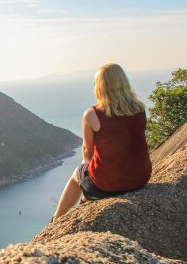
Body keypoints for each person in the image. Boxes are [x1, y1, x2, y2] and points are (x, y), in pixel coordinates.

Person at [53, 63, 152, 220]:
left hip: (108, 184)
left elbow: (87, 150)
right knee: (87, 176)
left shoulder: (92, 114)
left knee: (77, 173)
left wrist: (87, 168)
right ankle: (84, 201)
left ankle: (56, 219)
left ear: (100, 86)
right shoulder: (139, 109)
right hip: (140, 178)